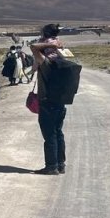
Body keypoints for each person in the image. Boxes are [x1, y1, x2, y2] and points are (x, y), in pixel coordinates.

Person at [30, 23, 67, 175]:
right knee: (58, 132)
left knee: (49, 134)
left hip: (46, 100)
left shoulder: (45, 61)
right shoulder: (62, 57)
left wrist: (46, 42)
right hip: (61, 100)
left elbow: (33, 47)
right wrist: (56, 44)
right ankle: (61, 164)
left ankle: (51, 166)